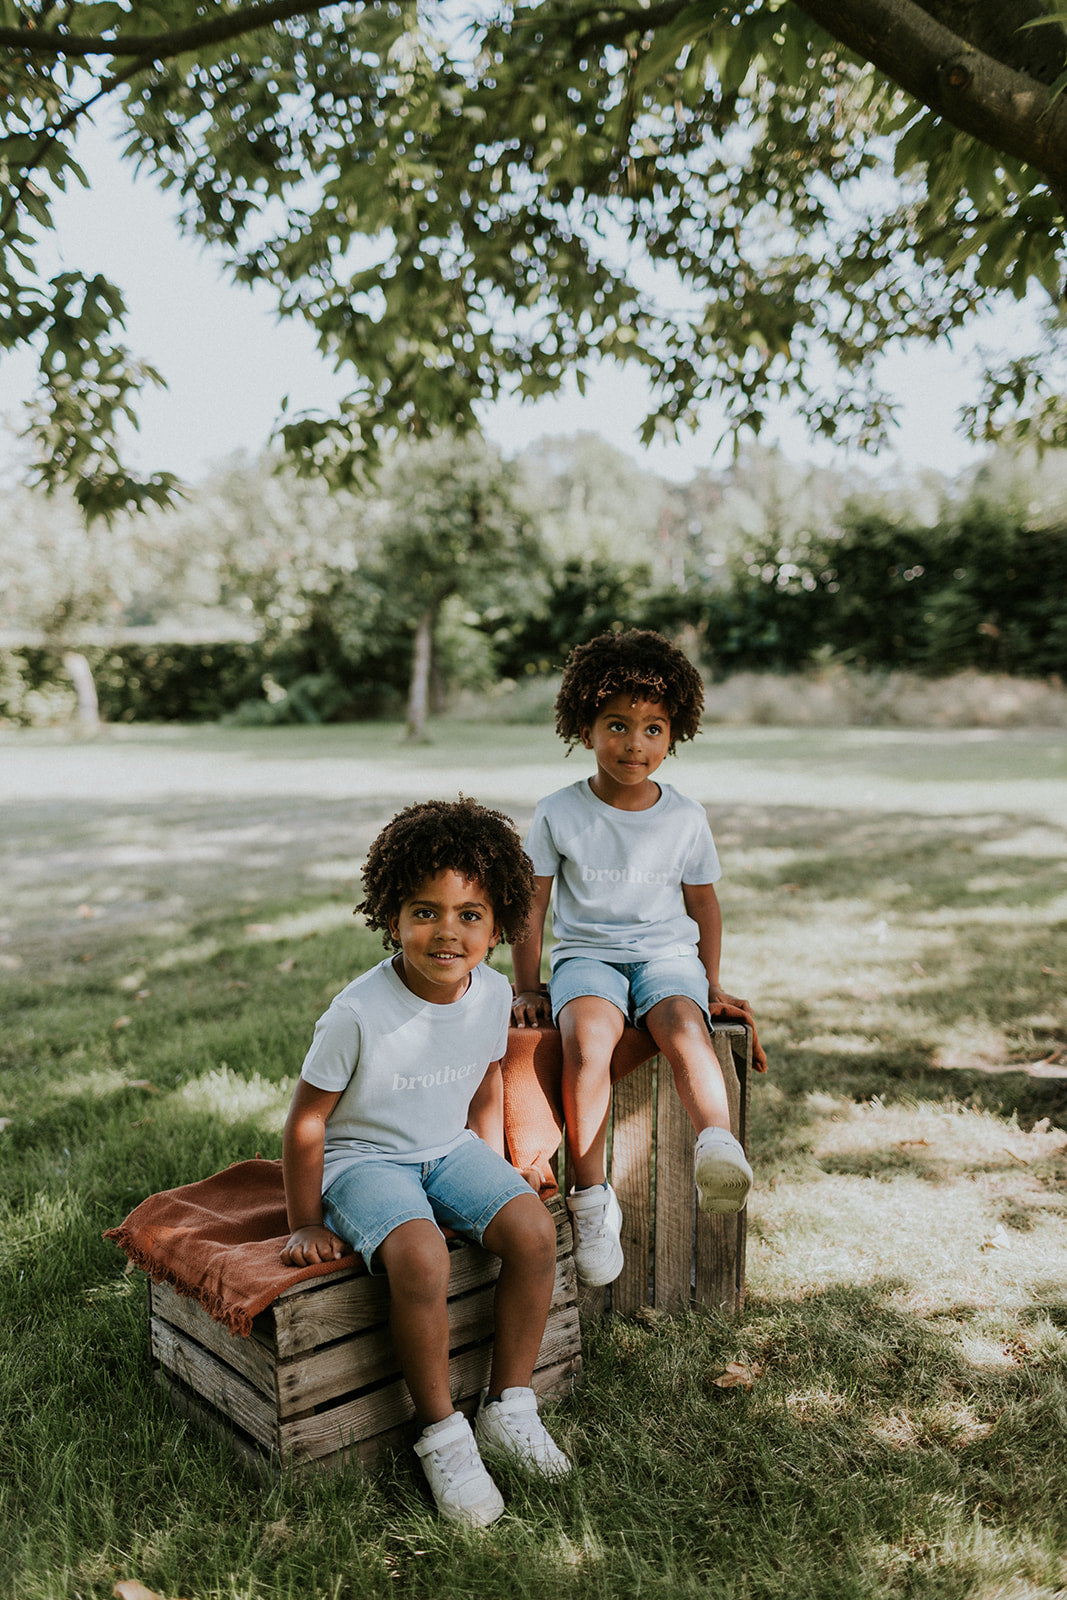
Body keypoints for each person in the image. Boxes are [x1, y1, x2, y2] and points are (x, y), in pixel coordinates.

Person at [281, 797, 569, 1528]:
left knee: (534, 1232)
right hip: (364, 1161)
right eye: (425, 911)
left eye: (470, 914)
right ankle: (443, 1435)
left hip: (447, 1150)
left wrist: (496, 1162)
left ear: (500, 926)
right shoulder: (356, 1013)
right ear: (390, 916)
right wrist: (303, 1222)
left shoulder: (495, 992)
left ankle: (508, 1404)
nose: (447, 931)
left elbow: (485, 1077)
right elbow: (308, 1122)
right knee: (420, 1257)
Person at [510, 628, 754, 1287]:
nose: (634, 744)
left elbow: (703, 907)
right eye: (617, 725)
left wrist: (709, 982)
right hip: (587, 959)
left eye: (653, 729)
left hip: (664, 957)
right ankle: (590, 1201)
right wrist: (526, 986)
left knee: (684, 1029)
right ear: (584, 726)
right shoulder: (558, 812)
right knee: (587, 1046)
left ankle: (716, 1147)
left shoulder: (684, 817)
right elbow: (532, 906)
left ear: (674, 733)